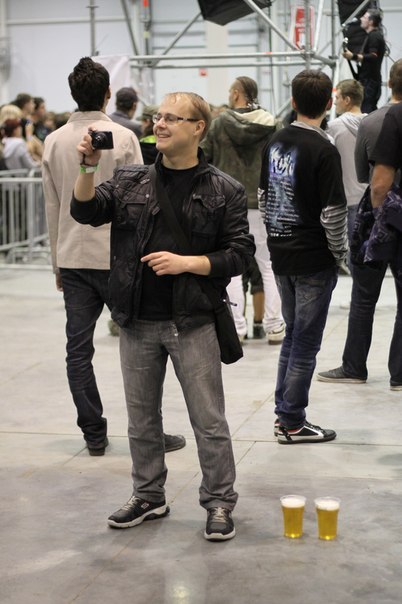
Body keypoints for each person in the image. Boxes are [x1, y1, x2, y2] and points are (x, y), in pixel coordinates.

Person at [71, 91, 255, 540]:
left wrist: (187, 262)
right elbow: (85, 210)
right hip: (136, 320)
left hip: (192, 321)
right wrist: (88, 168)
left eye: (174, 118)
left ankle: (219, 501)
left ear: (198, 128)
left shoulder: (224, 189)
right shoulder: (131, 179)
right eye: (159, 116)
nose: (161, 123)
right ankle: (148, 495)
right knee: (142, 420)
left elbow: (239, 254)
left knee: (208, 421)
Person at [43, 57, 186, 456]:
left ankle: (93, 433)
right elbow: (142, 202)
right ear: (108, 93)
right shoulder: (123, 138)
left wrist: (56, 263)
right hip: (119, 258)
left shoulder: (54, 141)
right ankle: (149, 433)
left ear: (72, 93)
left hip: (73, 257)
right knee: (142, 349)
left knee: (78, 350)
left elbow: (52, 206)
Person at [259, 69, 348, 444]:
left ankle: (285, 416)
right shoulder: (324, 149)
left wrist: (275, 238)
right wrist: (339, 253)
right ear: (329, 103)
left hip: (282, 253)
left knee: (294, 336)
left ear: (293, 101)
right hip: (313, 259)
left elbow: (264, 198)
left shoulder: (275, 141)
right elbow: (333, 212)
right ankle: (292, 422)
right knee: (305, 344)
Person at [317, 59, 402, 390]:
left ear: (389, 84)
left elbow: (366, 176)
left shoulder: (372, 121)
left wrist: (379, 219)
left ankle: (354, 366)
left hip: (376, 214)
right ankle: (399, 374)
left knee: (364, 296)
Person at [201, 76, 284, 343]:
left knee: (232, 269)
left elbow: (203, 158)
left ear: (237, 94)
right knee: (269, 266)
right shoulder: (273, 125)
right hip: (265, 203)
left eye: (230, 91)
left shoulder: (219, 125)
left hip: (228, 204)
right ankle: (274, 326)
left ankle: (236, 328)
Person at [327, 79, 368, 245]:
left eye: (337, 98)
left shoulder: (333, 127)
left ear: (347, 100)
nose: (335, 102)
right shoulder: (373, 124)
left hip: (347, 199)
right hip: (372, 199)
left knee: (351, 252)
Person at [342, 9, 386, 113]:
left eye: (364, 17)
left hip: (370, 83)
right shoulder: (372, 35)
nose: (361, 19)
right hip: (369, 82)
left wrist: (353, 56)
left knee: (366, 111)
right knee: (368, 110)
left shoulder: (374, 36)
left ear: (371, 22)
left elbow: (373, 56)